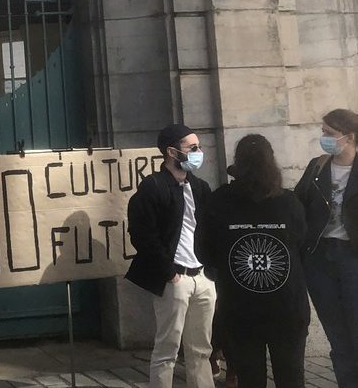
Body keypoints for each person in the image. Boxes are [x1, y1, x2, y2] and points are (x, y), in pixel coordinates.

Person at [198, 134, 308, 388]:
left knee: (249, 378)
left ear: (238, 163)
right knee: (292, 376)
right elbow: (302, 245)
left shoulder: (219, 201)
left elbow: (204, 252)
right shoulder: (289, 202)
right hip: (287, 306)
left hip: (239, 306)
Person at [125, 123, 216, 388]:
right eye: (192, 148)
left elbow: (209, 230)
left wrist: (211, 273)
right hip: (174, 278)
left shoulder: (200, 187)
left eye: (199, 146)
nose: (199, 152)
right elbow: (143, 236)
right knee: (167, 349)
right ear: (172, 152)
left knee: (201, 350)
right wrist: (170, 274)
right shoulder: (153, 187)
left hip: (202, 277)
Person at [295, 108, 358, 386]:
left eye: (329, 134)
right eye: (323, 132)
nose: (324, 138)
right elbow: (296, 208)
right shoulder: (317, 166)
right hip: (321, 259)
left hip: (353, 258)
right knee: (337, 335)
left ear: (350, 136)